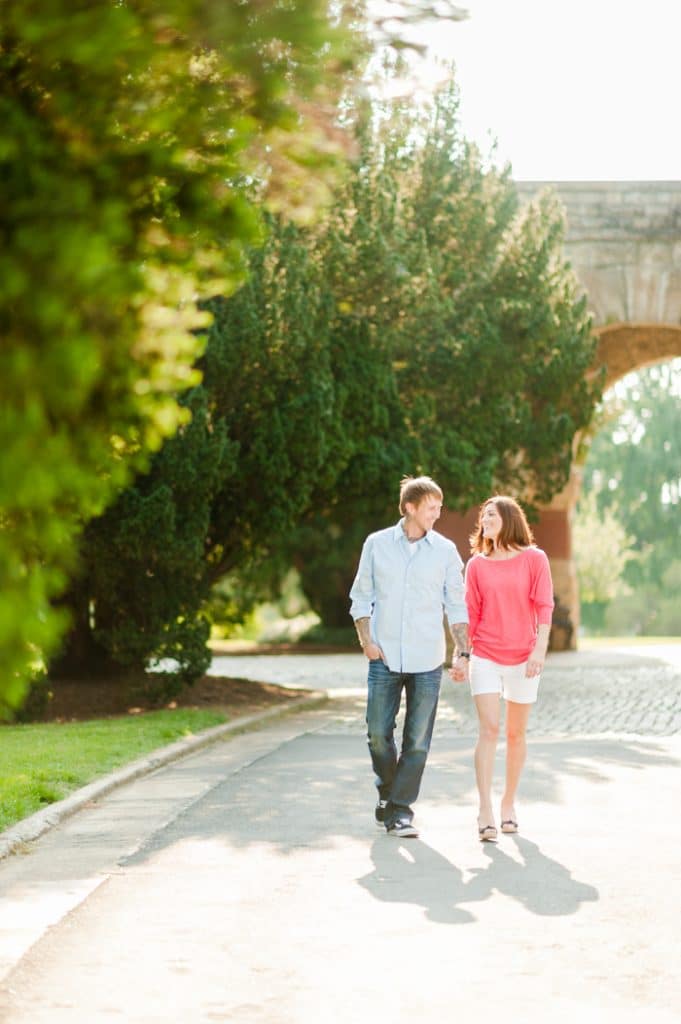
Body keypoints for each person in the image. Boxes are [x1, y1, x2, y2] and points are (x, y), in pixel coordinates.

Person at [349, 475, 469, 839]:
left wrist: (462, 652)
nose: (438, 513)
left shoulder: (446, 551)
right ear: (410, 508)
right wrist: (366, 641)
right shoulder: (377, 544)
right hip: (383, 656)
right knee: (377, 734)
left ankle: (400, 811)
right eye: (432, 506)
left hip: (427, 660)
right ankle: (388, 793)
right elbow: (361, 596)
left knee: (417, 741)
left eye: (439, 506)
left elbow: (456, 606)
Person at [450, 495, 554, 841]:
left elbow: (544, 607)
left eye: (492, 514)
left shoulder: (535, 559)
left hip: (524, 658)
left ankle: (509, 803)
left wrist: (539, 650)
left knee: (516, 734)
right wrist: (462, 655)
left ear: (509, 519)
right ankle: (485, 809)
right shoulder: (477, 565)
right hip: (486, 656)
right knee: (490, 729)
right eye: (483, 516)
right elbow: (470, 614)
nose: (485, 520)